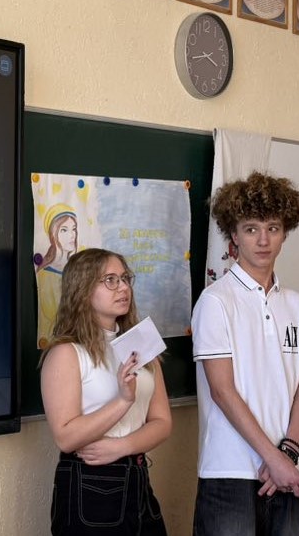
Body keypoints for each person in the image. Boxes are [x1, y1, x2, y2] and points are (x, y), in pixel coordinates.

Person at [192, 171, 299, 536]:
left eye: (273, 228)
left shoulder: (298, 305)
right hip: (229, 473)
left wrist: (287, 454)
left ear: (285, 233)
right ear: (234, 235)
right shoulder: (216, 301)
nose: (263, 240)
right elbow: (222, 390)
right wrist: (272, 457)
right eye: (251, 229)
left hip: (289, 471)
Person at [41, 248, 171, 536]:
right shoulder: (66, 353)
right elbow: (66, 437)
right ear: (83, 289)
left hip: (138, 478)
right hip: (91, 486)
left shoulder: (141, 345)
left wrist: (124, 446)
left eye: (125, 278)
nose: (123, 287)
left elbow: (162, 422)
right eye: (110, 280)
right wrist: (123, 401)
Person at [35, 203, 78, 348]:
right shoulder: (45, 275)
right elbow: (52, 318)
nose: (72, 235)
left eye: (74, 229)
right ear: (54, 235)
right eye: (64, 230)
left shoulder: (78, 270)